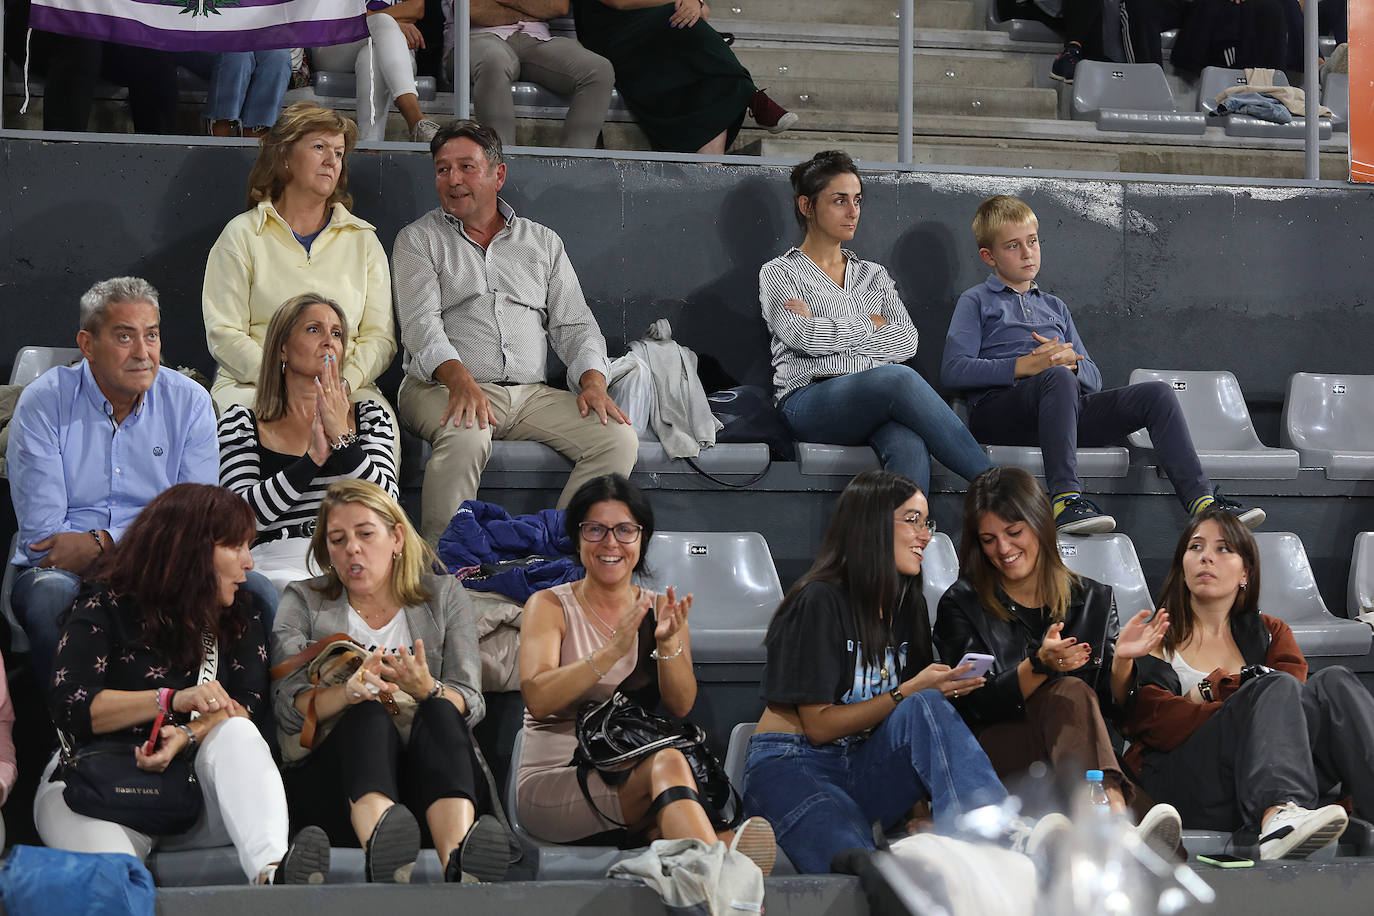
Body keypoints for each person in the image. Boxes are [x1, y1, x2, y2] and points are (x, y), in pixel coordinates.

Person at [35, 483, 330, 885]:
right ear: (192, 549)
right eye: (236, 547)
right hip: (93, 791)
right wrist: (169, 700)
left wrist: (189, 734)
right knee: (118, 888)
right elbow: (71, 704)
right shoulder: (104, 604)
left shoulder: (241, 613)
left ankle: (274, 875)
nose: (248, 562)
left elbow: (247, 703)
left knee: (238, 731)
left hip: (190, 791)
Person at [941, 195, 1265, 535]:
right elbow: (954, 369)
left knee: (1156, 394)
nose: (1027, 253)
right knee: (1056, 378)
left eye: (1033, 242)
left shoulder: (1055, 306)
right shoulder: (976, 300)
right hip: (1002, 413)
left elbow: (1093, 379)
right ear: (988, 256)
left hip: (1060, 409)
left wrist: (1074, 365)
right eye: (1013, 246)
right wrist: (1026, 366)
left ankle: (1203, 504)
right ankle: (1066, 501)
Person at [742, 469, 1010, 874]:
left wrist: (918, 812)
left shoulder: (909, 605)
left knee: (929, 707)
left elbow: (914, 726)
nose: (926, 536)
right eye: (912, 520)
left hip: (864, 761)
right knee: (866, 870)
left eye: (928, 523)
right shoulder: (819, 599)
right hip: (794, 764)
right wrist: (909, 691)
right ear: (871, 525)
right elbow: (818, 726)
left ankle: (994, 840)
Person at [393, 120, 638, 544]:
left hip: (530, 396)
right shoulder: (417, 239)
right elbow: (421, 327)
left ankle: (556, 555)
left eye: (466, 167)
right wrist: (462, 382)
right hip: (438, 387)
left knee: (616, 437)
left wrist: (593, 383)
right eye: (442, 169)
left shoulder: (542, 242)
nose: (452, 180)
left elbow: (575, 326)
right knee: (467, 433)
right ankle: (449, 571)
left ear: (497, 174)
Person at [517, 474, 775, 868]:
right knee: (671, 768)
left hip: (633, 770)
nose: (610, 543)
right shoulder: (548, 605)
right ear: (577, 538)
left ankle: (718, 876)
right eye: (595, 530)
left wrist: (669, 644)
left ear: (642, 539)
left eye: (624, 530)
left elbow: (681, 704)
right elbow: (538, 699)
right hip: (555, 779)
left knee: (673, 810)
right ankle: (727, 862)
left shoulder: (662, 610)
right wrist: (611, 652)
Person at [271, 479, 510, 883]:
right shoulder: (304, 600)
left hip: (429, 783)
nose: (352, 550)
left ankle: (461, 863)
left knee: (437, 707)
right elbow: (286, 708)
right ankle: (383, 848)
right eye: (337, 539)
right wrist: (345, 693)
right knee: (367, 713)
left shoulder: (444, 595)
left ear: (397, 537)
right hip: (339, 789)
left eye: (365, 534)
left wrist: (425, 688)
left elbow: (472, 700)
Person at [932, 467, 1182, 853]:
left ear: (1040, 525)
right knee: (1068, 688)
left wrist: (1122, 664)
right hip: (999, 752)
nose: (1003, 549)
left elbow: (1110, 710)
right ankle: (1112, 814)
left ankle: (1108, 819)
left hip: (1075, 757)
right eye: (988, 539)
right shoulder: (960, 603)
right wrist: (1039, 666)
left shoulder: (1094, 597)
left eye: (1014, 533)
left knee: (1166, 856)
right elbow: (974, 705)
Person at [1122, 508, 1374, 860]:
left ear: (1246, 573)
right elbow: (1154, 723)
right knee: (1271, 687)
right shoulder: (1158, 635)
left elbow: (1291, 710)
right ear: (1182, 566)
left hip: (1265, 771)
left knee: (1335, 683)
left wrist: (1205, 696)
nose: (1206, 556)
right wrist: (1239, 701)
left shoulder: (1272, 632)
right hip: (1189, 782)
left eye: (1224, 549)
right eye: (1195, 547)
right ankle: (1277, 816)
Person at [6, 277, 220, 683]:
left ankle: (200, 728)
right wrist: (151, 540)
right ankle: (76, 733)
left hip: (163, 567)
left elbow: (195, 526)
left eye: (151, 335)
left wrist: (103, 541)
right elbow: (45, 542)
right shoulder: (43, 403)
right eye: (125, 337)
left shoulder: (190, 403)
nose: (143, 353)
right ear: (87, 345)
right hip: (66, 574)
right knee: (50, 592)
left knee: (255, 590)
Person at [761, 150, 994, 496]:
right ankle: (998, 487)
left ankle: (902, 542)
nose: (853, 211)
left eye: (857, 200)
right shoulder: (780, 272)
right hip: (806, 400)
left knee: (910, 442)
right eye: (839, 200)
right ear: (806, 206)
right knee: (896, 377)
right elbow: (803, 337)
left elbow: (907, 341)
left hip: (872, 400)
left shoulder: (873, 274)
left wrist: (829, 325)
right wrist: (870, 323)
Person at [203, 102, 398, 428]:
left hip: (343, 386)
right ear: (284, 157)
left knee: (380, 427)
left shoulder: (363, 240)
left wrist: (343, 383)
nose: (331, 161)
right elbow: (224, 333)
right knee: (240, 425)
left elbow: (380, 339)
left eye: (338, 153)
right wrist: (282, 381)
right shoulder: (242, 234)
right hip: (253, 385)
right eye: (319, 147)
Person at [218, 294, 398, 593]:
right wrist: (312, 459)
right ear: (282, 348)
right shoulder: (241, 423)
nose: (329, 340)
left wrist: (342, 438)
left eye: (337, 333)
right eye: (314, 329)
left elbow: (387, 507)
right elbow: (237, 521)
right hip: (276, 564)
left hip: (355, 557)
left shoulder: (370, 417)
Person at [570, 0, 797, 153]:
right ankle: (752, 96)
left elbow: (703, 11)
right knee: (677, 19)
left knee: (722, 83)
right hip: (610, 32)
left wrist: (694, 3)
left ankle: (709, 177)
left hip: (660, 38)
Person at [454, 0, 615, 148]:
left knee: (599, 70)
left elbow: (558, 6)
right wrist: (529, 11)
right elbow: (470, 9)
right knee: (493, 61)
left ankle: (572, 170)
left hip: (536, 38)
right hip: (476, 38)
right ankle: (500, 169)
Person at [310, 1, 442, 143]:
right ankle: (415, 119)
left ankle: (371, 144)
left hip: (385, 48)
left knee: (370, 54)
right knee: (383, 21)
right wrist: (394, 23)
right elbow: (339, 16)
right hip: (333, 46)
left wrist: (380, 21)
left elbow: (416, 8)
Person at [178, 51, 294, 138]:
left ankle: (254, 139)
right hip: (206, 38)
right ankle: (221, 131)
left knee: (278, 57)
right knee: (238, 55)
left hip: (256, 37)